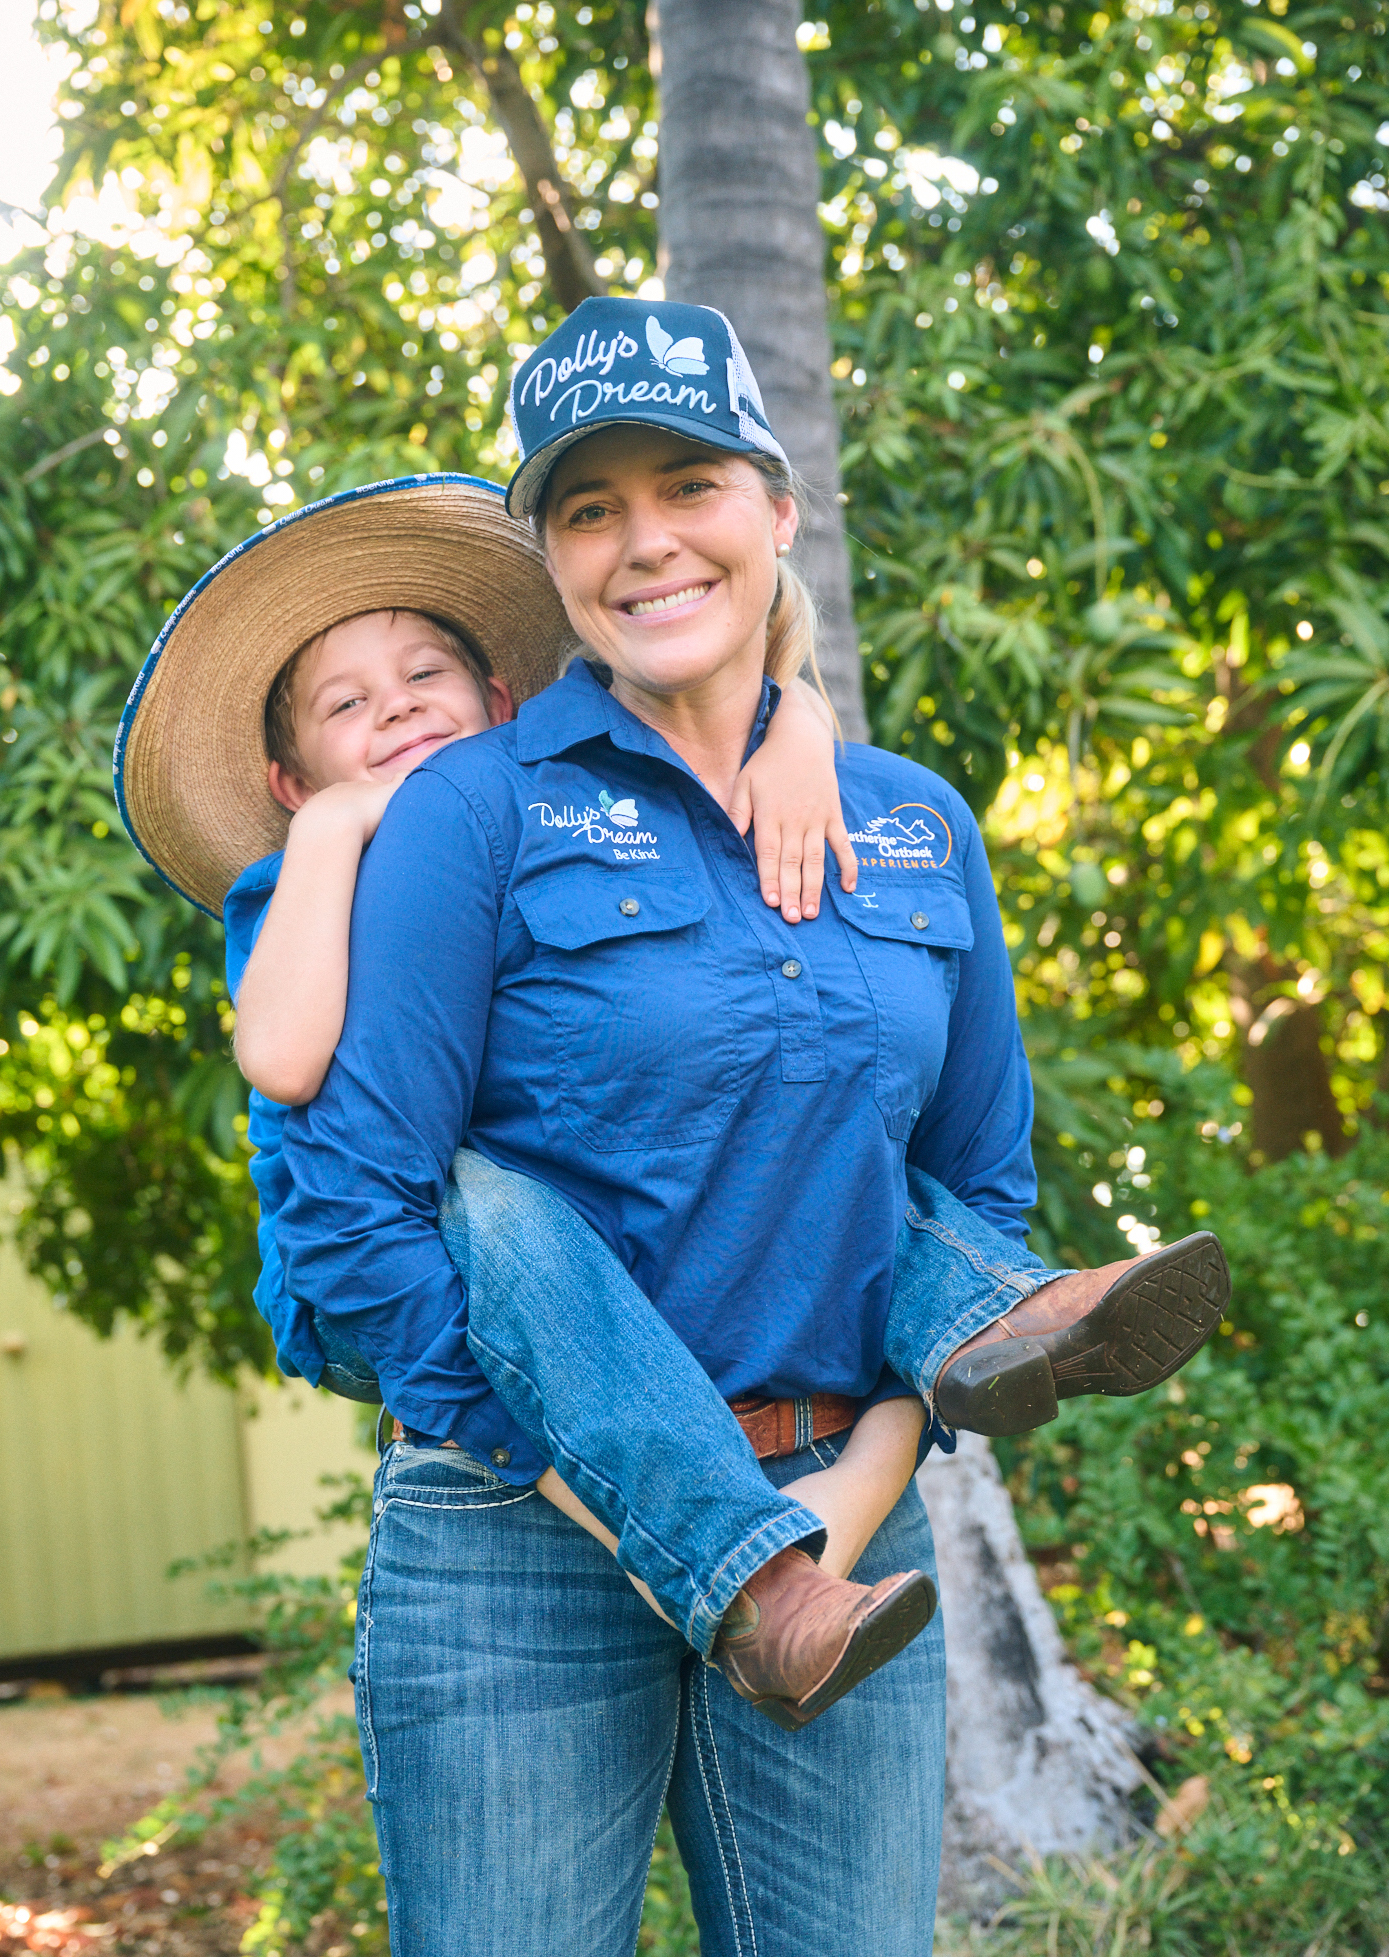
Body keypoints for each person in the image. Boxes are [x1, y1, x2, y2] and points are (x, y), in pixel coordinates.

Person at [251, 298, 1230, 1957]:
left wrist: (834, 1520)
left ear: (775, 506)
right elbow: (359, 1225)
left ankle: (779, 1565)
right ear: (551, 559)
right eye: (590, 506)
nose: (646, 539)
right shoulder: (471, 811)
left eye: (689, 483)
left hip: (840, 1548)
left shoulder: (913, 826)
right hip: (519, 1551)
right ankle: (727, 1562)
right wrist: (653, 1528)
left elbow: (976, 1184)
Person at [114, 472, 1227, 1731]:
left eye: (424, 680)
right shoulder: (326, 858)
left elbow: (736, 670)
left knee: (852, 1156)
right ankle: (753, 1578)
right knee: (501, 1197)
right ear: (287, 774)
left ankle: (997, 1313)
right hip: (441, 1275)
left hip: (729, 1374)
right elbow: (280, 1058)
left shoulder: (553, 812)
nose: (395, 712)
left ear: (498, 706)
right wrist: (331, 838)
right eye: (348, 707)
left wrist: (799, 724)